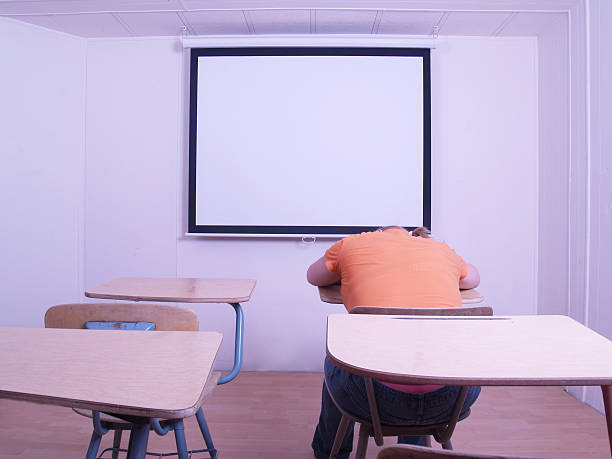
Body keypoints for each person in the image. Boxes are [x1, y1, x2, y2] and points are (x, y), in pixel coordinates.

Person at [306, 226, 481, 459]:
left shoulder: (351, 244)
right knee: (423, 355)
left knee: (336, 357)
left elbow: (314, 276)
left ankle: (329, 453)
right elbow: (474, 278)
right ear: (414, 236)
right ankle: (412, 451)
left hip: (372, 397)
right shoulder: (441, 249)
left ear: (378, 232)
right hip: (452, 397)